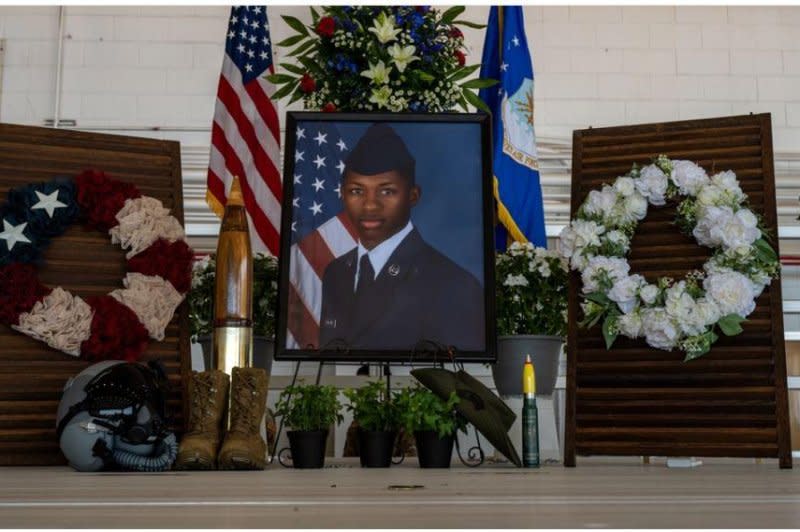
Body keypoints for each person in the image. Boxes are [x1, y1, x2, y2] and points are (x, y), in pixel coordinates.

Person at [318, 123, 485, 353]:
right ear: (342, 195)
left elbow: (455, 377)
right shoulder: (335, 273)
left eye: (386, 191)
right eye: (357, 191)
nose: (369, 205)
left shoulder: (452, 284)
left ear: (413, 195)